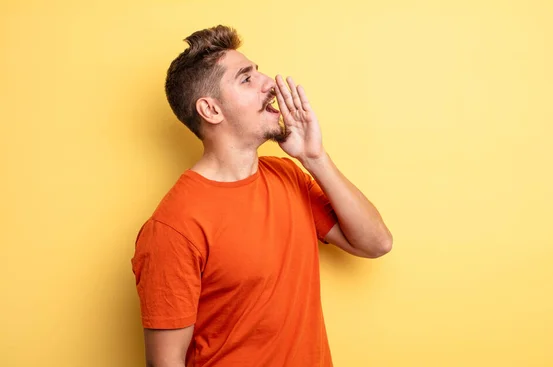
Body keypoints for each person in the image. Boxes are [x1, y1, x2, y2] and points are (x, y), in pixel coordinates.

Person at [131, 24, 393, 367]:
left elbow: (375, 243)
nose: (268, 83)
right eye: (246, 78)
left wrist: (314, 158)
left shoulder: (287, 176)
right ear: (211, 110)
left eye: (257, 72)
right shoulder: (173, 227)